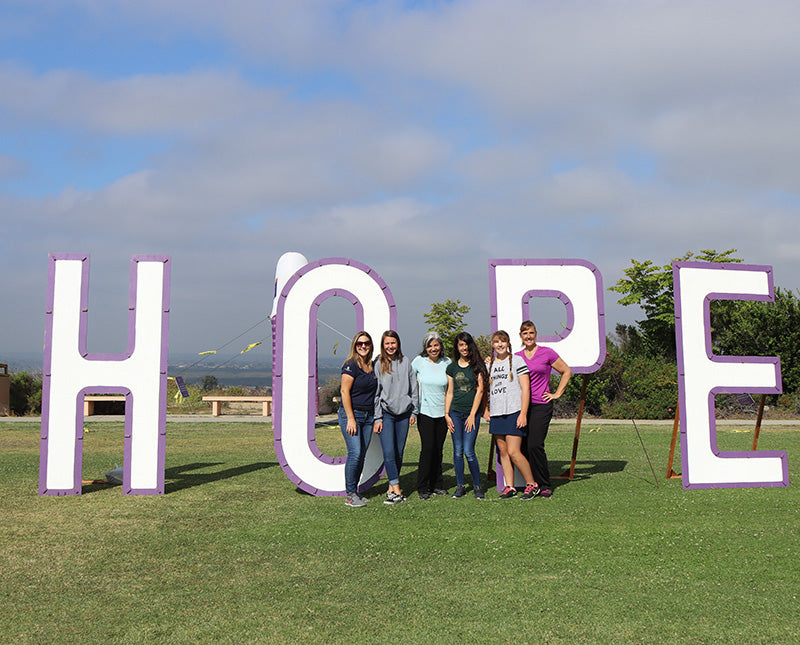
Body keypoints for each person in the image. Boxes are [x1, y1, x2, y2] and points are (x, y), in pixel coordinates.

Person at [516, 320, 572, 498]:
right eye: (525, 333)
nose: (528, 336)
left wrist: (556, 394)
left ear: (536, 334)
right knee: (523, 446)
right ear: (521, 336)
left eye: (531, 333)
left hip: (541, 405)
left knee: (535, 445)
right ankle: (530, 484)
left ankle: (545, 484)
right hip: (521, 407)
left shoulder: (547, 353)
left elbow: (566, 371)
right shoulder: (516, 357)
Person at [484, 329, 538, 500]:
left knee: (514, 452)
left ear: (508, 343)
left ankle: (532, 485)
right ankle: (510, 487)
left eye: (503, 341)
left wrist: (523, 413)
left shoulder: (517, 361)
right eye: (496, 342)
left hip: (514, 412)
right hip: (497, 414)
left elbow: (526, 388)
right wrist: (486, 410)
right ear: (492, 345)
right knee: (503, 452)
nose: (499, 345)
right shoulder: (489, 364)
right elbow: (484, 390)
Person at [373, 330, 418, 505]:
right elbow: (376, 395)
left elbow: (414, 388)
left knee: (399, 453)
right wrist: (377, 418)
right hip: (386, 414)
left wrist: (414, 411)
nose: (390, 346)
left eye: (393, 343)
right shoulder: (378, 364)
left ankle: (391, 488)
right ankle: (396, 488)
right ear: (383, 345)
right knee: (389, 452)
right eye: (387, 344)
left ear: (398, 343)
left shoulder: (405, 361)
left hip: (404, 414)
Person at [444, 332, 488, 499]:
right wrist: (446, 414)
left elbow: (480, 391)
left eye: (467, 344)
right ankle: (460, 486)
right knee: (457, 451)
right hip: (454, 413)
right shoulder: (452, 368)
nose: (464, 348)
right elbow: (449, 392)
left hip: (471, 415)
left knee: (469, 451)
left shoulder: (478, 366)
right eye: (461, 345)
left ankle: (477, 486)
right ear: (457, 347)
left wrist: (472, 415)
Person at [339, 331, 378, 508]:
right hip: (352, 415)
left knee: (361, 455)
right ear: (355, 345)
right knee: (354, 453)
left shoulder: (371, 366)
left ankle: (355, 492)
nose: (363, 346)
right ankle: (349, 495)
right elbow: (344, 391)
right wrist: (350, 418)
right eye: (360, 343)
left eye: (366, 343)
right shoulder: (351, 365)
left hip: (368, 417)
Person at [411, 331, 451, 499]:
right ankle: (423, 487)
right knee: (427, 449)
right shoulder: (418, 362)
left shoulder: (447, 362)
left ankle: (437, 485)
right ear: (425, 347)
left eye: (436, 345)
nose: (433, 348)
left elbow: (452, 387)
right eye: (430, 345)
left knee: (438, 450)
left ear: (440, 346)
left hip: (443, 413)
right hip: (425, 412)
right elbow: (408, 381)